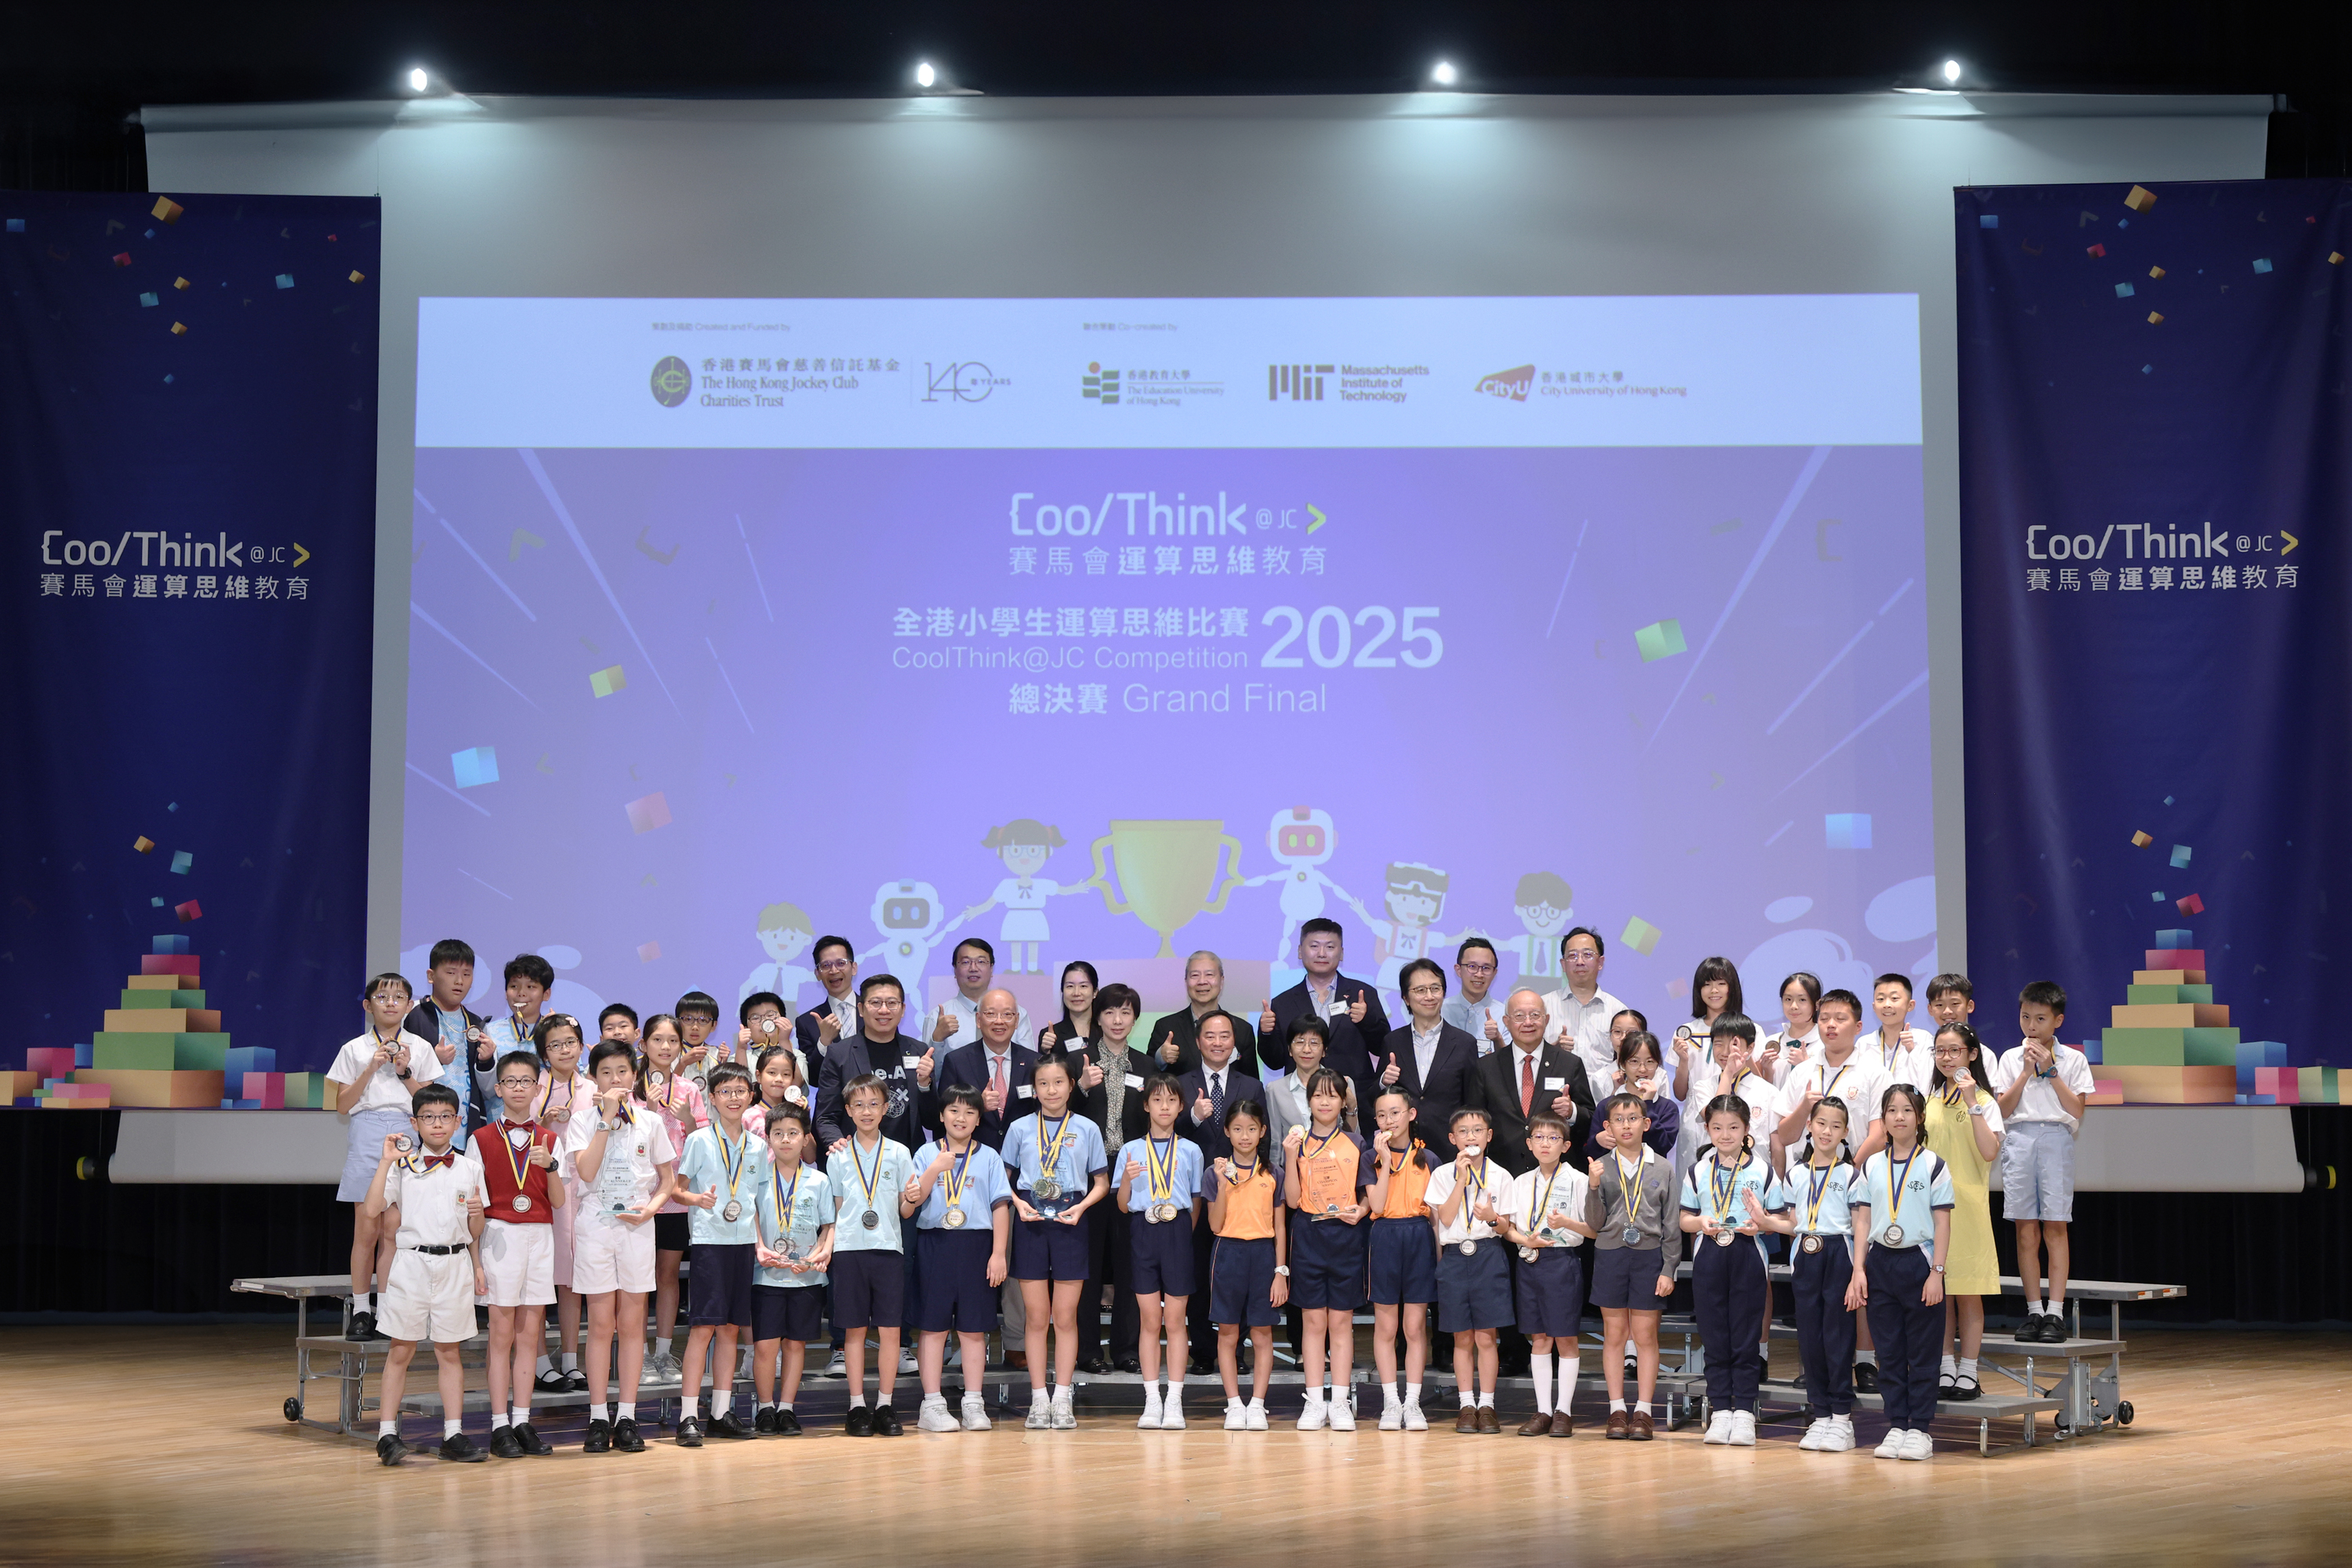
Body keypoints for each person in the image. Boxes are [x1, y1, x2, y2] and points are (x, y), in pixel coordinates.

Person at [815, 974, 935, 1380]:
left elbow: (933, 1119)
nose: (884, 1010)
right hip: (854, 1172)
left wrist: (925, 1085)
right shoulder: (840, 1052)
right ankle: (839, 1346)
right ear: (862, 1007)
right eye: (876, 1003)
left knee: (903, 1262)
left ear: (903, 1008)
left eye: (892, 1003)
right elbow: (825, 1115)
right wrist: (835, 1144)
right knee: (845, 1264)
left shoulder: (918, 1052)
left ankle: (899, 1344)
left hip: (900, 1173)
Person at [364, 1083, 486, 1465]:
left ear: (458, 1121)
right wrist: (385, 1161)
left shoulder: (470, 1167)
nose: (437, 1124)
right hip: (412, 1264)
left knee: (450, 1351)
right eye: (429, 1117)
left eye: (445, 1116)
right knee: (401, 1349)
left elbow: (475, 1230)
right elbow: (371, 1209)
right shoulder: (402, 1166)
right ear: (415, 1123)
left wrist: (478, 1242)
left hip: (454, 1264)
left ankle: (453, 1433)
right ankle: (386, 1434)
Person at [568, 1039, 678, 1455]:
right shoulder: (582, 1120)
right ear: (594, 1078)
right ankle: (598, 1417)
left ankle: (628, 1416)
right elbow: (586, 1171)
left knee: (632, 1325)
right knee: (600, 1324)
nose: (615, 1078)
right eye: (606, 1072)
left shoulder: (650, 1121)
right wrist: (605, 1119)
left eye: (622, 1071)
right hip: (596, 1223)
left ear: (635, 1075)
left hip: (637, 1227)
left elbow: (667, 1181)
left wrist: (650, 1210)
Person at [331, 972, 439, 1343]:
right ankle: (361, 1310)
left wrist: (404, 1072)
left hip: (408, 1131)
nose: (391, 1003)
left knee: (395, 1229)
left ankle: (388, 1309)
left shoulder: (420, 1047)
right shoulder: (354, 1049)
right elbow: (342, 1106)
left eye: (399, 997)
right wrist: (371, 1068)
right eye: (382, 997)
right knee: (367, 1227)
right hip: (367, 1132)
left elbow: (429, 1105)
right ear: (368, 1005)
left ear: (410, 1005)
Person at [1847, 1085, 1954, 1462]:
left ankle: (1920, 1428)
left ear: (1920, 1118)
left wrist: (1937, 1272)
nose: (1899, 1117)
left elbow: (1942, 1223)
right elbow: (1862, 1221)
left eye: (1907, 1110)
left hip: (1919, 1262)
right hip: (1880, 1262)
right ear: (1884, 1119)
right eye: (1891, 1110)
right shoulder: (1872, 1165)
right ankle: (1896, 1424)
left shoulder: (1934, 1165)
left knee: (1923, 1352)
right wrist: (1858, 1269)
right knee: (1889, 1352)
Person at [1003, 1051, 1109, 1428]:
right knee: (1036, 1317)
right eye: (1043, 1084)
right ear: (1034, 1088)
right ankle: (1038, 1399)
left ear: (1071, 1085)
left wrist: (1082, 1208)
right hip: (1030, 1223)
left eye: (1059, 1082)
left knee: (1065, 1317)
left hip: (1071, 1223)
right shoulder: (1019, 1128)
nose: (1051, 1090)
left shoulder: (1087, 1128)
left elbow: (1101, 1183)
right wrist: (1018, 1204)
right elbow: (1003, 1180)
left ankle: (1062, 1398)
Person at [1752, 1094, 1860, 1453]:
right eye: (1821, 1123)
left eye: (1835, 1126)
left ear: (1845, 1132)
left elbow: (1860, 1226)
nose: (1827, 1131)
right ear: (1810, 1127)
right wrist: (1767, 1221)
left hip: (1839, 1253)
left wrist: (1858, 1270)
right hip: (1806, 1254)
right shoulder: (1797, 1174)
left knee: (1837, 1335)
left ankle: (1842, 1418)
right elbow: (1795, 1224)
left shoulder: (1851, 1174)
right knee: (1810, 1337)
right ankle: (1821, 1414)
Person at [1679, 1094, 1787, 1446]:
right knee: (1714, 1337)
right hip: (1709, 1254)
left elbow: (1779, 1219)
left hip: (1747, 1254)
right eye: (1717, 1128)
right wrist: (1700, 1222)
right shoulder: (1698, 1170)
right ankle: (1720, 1411)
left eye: (1733, 1128)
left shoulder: (1762, 1170)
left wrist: (1762, 1224)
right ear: (1708, 1130)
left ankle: (1744, 1413)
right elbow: (1684, 1219)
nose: (1725, 1135)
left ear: (1746, 1129)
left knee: (1745, 1337)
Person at [906, 1083, 1013, 1433]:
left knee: (973, 1328)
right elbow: (911, 1203)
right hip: (934, 1244)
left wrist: (998, 1254)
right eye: (953, 1110)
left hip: (977, 1246)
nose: (961, 1118)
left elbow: (1000, 1207)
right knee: (933, 1327)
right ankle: (932, 1403)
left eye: (969, 1112)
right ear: (941, 1115)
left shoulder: (990, 1157)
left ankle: (974, 1402)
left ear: (979, 1118)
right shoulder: (926, 1153)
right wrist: (935, 1169)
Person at [672, 1061, 768, 1446]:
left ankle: (720, 1413)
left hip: (742, 1244)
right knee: (703, 1328)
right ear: (711, 1098)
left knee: (731, 1328)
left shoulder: (758, 1146)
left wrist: (760, 1243)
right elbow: (677, 1189)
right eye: (725, 1091)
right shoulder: (699, 1140)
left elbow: (756, 1201)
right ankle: (687, 1416)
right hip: (709, 1242)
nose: (733, 1097)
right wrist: (697, 1199)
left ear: (751, 1096)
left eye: (740, 1091)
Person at [1991, 980, 2091, 1344]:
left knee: (2056, 1226)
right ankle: (2034, 1310)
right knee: (2025, 1229)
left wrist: (2051, 1071)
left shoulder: (2074, 1059)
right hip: (2019, 1138)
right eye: (2025, 1017)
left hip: (2056, 1138)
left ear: (2057, 1020)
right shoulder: (2009, 1058)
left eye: (2040, 1018)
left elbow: (2077, 1109)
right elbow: (2001, 1110)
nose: (2031, 1026)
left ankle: (2056, 1313)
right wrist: (2024, 1071)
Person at [477, 1049, 564, 1458]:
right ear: (498, 1088)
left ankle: (523, 1421)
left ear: (537, 1088)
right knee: (501, 1334)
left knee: (530, 1334)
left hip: (540, 1236)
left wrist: (551, 1167)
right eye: (510, 1081)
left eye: (525, 1081)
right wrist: (475, 1260)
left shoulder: (550, 1139)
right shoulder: (480, 1139)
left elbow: (559, 1201)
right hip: (499, 1235)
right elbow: (473, 1204)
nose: (517, 1088)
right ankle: (499, 1425)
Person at [1067, 980, 1155, 1374]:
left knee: (1129, 1265)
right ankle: (1087, 1351)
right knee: (1087, 1267)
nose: (1117, 1020)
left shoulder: (1146, 1065)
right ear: (1097, 1018)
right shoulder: (1077, 1061)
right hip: (1088, 1174)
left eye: (1125, 1012)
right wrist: (1081, 1089)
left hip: (1132, 1174)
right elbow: (1056, 1109)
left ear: (1135, 1019)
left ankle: (1126, 1350)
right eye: (1109, 1012)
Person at [826, 1073, 920, 1436]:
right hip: (849, 1250)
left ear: (885, 1108)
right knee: (854, 1330)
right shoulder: (838, 1155)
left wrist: (913, 1199)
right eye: (859, 1105)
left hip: (888, 1250)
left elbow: (905, 1210)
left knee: (891, 1330)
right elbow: (836, 1211)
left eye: (874, 1104)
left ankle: (884, 1404)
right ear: (848, 1110)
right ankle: (856, 1406)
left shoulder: (899, 1153)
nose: (867, 1111)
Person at [1584, 1093, 1679, 1439]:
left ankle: (1643, 1411)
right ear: (1608, 1126)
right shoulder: (1599, 1166)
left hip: (1649, 1258)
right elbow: (1594, 1223)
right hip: (1610, 1255)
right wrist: (1593, 1186)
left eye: (1633, 1118)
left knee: (1645, 1336)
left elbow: (1671, 1224)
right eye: (1619, 1120)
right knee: (1614, 1335)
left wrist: (1668, 1269)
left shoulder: (1663, 1167)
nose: (1626, 1126)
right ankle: (1616, 1410)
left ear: (1646, 1124)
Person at [1282, 1066, 1373, 1430]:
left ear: (1343, 1102)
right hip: (1308, 1235)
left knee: (1341, 1321)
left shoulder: (1356, 1142)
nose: (1324, 1101)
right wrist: (1290, 1157)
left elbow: (1367, 1194)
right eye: (1318, 1095)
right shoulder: (1297, 1142)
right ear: (1308, 1101)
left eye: (1332, 1095)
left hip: (1346, 1237)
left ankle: (1339, 1402)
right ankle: (1315, 1402)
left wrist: (1361, 1211)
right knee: (1313, 1321)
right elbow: (1292, 1200)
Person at [1176, 1011, 1265, 1372]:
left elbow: (1261, 1138)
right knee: (1198, 1273)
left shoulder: (1251, 1085)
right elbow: (1167, 1130)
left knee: (1237, 1277)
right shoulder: (1181, 1083)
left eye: (1225, 1036)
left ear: (1235, 1043)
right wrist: (1194, 1117)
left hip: (1240, 1194)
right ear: (1198, 1042)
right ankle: (1203, 1351)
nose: (1217, 1042)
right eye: (1210, 1036)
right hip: (1192, 1194)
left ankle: (1236, 1351)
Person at [1118, 1074, 1207, 1429]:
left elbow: (1196, 1202)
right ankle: (1152, 1398)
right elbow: (1122, 1205)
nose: (1164, 1107)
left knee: (1175, 1320)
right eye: (1157, 1100)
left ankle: (1174, 1400)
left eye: (1171, 1100)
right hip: (1142, 1231)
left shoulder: (1191, 1150)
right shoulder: (1130, 1150)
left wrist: (1180, 1230)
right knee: (1150, 1320)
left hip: (1178, 1232)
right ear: (1146, 1106)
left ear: (1181, 1106)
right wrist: (1127, 1179)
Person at [1501, 1109, 1595, 1436]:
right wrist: (1524, 1240)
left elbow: (1593, 1230)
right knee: (1538, 1338)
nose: (1545, 1144)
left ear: (1565, 1145)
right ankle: (1542, 1411)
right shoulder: (1521, 1182)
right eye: (1539, 1137)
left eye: (1553, 1138)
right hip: (1529, 1262)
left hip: (1562, 1262)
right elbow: (1509, 1229)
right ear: (1529, 1143)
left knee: (1565, 1338)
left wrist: (1566, 1223)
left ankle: (1563, 1411)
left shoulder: (1578, 1180)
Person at [1926, 1022, 2004, 1399]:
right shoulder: (1929, 1100)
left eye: (1954, 1050)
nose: (1946, 1058)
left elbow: (1989, 1152)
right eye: (1940, 1050)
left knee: (1969, 1292)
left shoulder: (1985, 1102)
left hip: (1969, 1209)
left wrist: (1972, 1102)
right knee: (1939, 1292)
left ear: (1972, 1055)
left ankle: (1969, 1372)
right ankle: (1945, 1367)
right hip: (1930, 1210)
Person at [1424, 1105, 1513, 1432]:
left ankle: (1487, 1405)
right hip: (1454, 1256)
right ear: (1452, 1138)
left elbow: (1506, 1227)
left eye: (1477, 1131)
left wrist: (1492, 1217)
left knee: (1486, 1337)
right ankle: (1465, 1404)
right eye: (1463, 1131)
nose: (1470, 1137)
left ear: (1489, 1136)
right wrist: (1460, 1180)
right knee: (1462, 1337)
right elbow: (1445, 1219)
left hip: (1488, 1254)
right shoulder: (1441, 1174)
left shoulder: (1501, 1175)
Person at [750, 1100, 832, 1436]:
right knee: (766, 1345)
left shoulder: (819, 1180)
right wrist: (759, 1246)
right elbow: (752, 1217)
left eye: (793, 1133)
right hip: (766, 1275)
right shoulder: (758, 1179)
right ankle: (765, 1408)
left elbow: (829, 1226)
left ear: (806, 1138)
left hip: (806, 1277)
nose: (786, 1139)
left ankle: (787, 1408)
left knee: (796, 1344)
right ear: (768, 1138)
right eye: (778, 1133)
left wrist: (819, 1255)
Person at [1207, 1098, 1287, 1429]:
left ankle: (1257, 1404)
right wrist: (1223, 1185)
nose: (1244, 1136)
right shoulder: (1216, 1172)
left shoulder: (1274, 1173)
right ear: (1227, 1131)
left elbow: (1280, 1226)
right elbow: (1214, 1225)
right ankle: (1234, 1404)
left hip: (1263, 1255)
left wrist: (1281, 1272)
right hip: (1228, 1253)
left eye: (1251, 1129)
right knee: (1228, 1332)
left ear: (1262, 1131)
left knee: (1262, 1332)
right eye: (1237, 1129)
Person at [636, 1012, 706, 1384]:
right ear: (643, 1044)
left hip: (676, 1197)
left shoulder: (689, 1089)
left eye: (673, 1041)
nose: (666, 1047)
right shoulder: (629, 1086)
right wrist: (648, 1112)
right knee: (636, 1280)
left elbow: (702, 1142)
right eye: (658, 1040)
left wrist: (689, 1121)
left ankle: (663, 1355)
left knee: (667, 1275)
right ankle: (639, 1356)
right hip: (637, 1198)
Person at [1363, 1085, 1437, 1431]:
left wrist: (1439, 1257)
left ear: (1411, 1114)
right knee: (1387, 1326)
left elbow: (1436, 1217)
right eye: (1382, 1115)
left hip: (1419, 1236)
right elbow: (1376, 1205)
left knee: (1414, 1326)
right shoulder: (1370, 1157)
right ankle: (1391, 1401)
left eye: (1395, 1112)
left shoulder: (1429, 1158)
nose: (1389, 1120)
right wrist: (1385, 1163)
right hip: (1385, 1235)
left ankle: (1413, 1402)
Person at [528, 1014, 596, 1394]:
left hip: (582, 1191)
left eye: (570, 1042)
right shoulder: (532, 1087)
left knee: (573, 1279)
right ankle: (540, 1364)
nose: (564, 1050)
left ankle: (570, 1361)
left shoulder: (592, 1088)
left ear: (581, 1045)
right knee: (540, 1277)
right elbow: (520, 1133)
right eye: (554, 1045)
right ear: (544, 1053)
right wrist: (541, 1118)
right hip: (543, 1188)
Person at [1261, 918, 1388, 1112]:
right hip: (1300, 1104)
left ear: (1341, 953)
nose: (1321, 953)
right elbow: (1275, 1062)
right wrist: (1266, 1033)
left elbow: (1382, 1047)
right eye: (1314, 946)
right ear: (1300, 951)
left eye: (1330, 947)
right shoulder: (1283, 1002)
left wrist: (1366, 1021)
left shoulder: (1362, 994)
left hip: (1354, 1102)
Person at [1468, 989, 1595, 1176]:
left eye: (1535, 1015)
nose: (1528, 1022)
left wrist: (1572, 1112)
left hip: (1555, 1172)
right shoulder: (1486, 1067)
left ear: (1546, 1019)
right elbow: (1474, 1120)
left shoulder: (1569, 1064)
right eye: (1519, 1016)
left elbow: (1591, 1117)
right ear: (1506, 1022)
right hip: (1501, 1172)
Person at [1381, 956, 1479, 1158]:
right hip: (1402, 1149)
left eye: (1435, 989)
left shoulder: (1464, 1043)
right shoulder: (1393, 1041)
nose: (1429, 996)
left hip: (1449, 1151)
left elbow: (1472, 1103)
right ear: (1406, 998)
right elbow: (1375, 1099)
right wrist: (1383, 1082)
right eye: (1420, 990)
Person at [930, 987, 1038, 1149]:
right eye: (991, 1014)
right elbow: (943, 1117)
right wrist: (978, 1105)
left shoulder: (1034, 1062)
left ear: (1016, 1021)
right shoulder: (957, 1061)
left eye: (1007, 1014)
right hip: (973, 1155)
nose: (999, 1021)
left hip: (1023, 1155)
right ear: (979, 1020)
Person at [405, 938, 485, 1148]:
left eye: (466, 974)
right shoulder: (414, 1015)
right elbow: (399, 1069)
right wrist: (433, 1059)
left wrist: (487, 1061)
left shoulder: (475, 1022)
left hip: (464, 1121)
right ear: (431, 976)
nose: (459, 981)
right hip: (424, 1120)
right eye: (451, 973)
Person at [1146, 950, 1261, 1075]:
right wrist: (1161, 1058)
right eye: (1195, 975)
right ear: (1186, 981)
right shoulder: (1165, 1027)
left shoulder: (1243, 1030)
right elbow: (1149, 1077)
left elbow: (1252, 1083)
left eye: (1209, 975)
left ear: (1222, 981)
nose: (1202, 981)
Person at [1542, 927, 1627, 1087]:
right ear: (1563, 964)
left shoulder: (1618, 1011)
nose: (1580, 961)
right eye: (1572, 956)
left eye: (1587, 955)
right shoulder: (1543, 1006)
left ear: (1600, 962)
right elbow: (1527, 1056)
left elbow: (1628, 1060)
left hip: (1603, 1098)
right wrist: (1553, 1049)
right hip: (1554, 1097)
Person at [1264, 1014, 1360, 1148]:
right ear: (1290, 1050)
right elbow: (1275, 1141)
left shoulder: (1343, 1083)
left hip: (1335, 1159)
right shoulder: (1275, 1089)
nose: (1307, 1050)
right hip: (1292, 1160)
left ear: (1324, 1050)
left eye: (1314, 1043)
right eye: (1300, 1042)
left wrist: (1351, 1108)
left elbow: (1354, 1137)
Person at [925, 937, 1036, 1050]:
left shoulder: (1015, 1014)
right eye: (966, 962)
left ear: (991, 968)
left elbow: (1028, 1059)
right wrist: (938, 1039)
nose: (973, 968)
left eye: (981, 962)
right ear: (955, 969)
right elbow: (927, 1061)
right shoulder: (936, 1017)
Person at [1588, 1028, 1679, 1163]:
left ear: (1657, 1064)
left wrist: (1648, 1105)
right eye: (1634, 1062)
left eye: (1650, 1062)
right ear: (1623, 1064)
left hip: (1651, 1174)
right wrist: (1597, 1141)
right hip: (1613, 1174)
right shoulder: (1606, 1105)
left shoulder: (1667, 1107)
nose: (1642, 1069)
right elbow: (1590, 1152)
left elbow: (1662, 1147)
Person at [1667, 954, 1742, 1106]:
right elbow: (1680, 1094)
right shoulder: (1686, 1032)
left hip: (1736, 1115)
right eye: (1707, 984)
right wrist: (1683, 1061)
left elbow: (1760, 1084)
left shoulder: (1749, 1029)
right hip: (1695, 1118)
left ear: (1732, 988)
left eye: (1721, 983)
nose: (1714, 990)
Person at [1860, 973, 1934, 1093]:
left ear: (1910, 1005)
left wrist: (1913, 1052)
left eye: (1894, 998)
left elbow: (1928, 1085)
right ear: (1874, 1007)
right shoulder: (1864, 1044)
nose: (1887, 1005)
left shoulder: (1923, 1039)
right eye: (1880, 999)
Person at [795, 934, 860, 1064]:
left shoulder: (875, 1009)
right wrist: (824, 1041)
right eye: (826, 965)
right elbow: (811, 1073)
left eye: (841, 963)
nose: (834, 971)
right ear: (817, 974)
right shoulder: (807, 1022)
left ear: (853, 968)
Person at [1443, 935, 1511, 1048]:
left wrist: (1498, 1039)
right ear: (1458, 970)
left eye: (1486, 968)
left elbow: (1512, 1059)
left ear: (1494, 973)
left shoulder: (1505, 1015)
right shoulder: (1440, 1011)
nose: (1479, 974)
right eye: (1472, 966)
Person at [736, 991, 808, 1098]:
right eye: (755, 1018)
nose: (764, 1021)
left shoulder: (797, 1055)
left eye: (770, 1015)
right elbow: (739, 1089)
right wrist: (741, 1049)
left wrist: (784, 1041)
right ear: (746, 1027)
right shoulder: (739, 1057)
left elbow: (795, 1085)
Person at [1759, 970, 1823, 1085]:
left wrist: (1805, 1066)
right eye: (1788, 999)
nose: (1794, 1006)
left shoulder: (1825, 1045)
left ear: (1817, 1005)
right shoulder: (1771, 1043)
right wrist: (1768, 1074)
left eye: (1802, 1000)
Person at [745, 1044, 809, 1139]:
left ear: (793, 1078)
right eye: (772, 1073)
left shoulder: (795, 1114)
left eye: (786, 1074)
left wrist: (803, 1117)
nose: (779, 1079)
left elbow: (810, 1149)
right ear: (759, 1076)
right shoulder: (747, 1118)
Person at [675, 989, 732, 1086]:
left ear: (713, 1026)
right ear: (677, 1023)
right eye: (688, 1019)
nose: (695, 1027)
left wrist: (723, 1066)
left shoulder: (718, 1054)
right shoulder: (669, 1053)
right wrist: (682, 1064)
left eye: (703, 1020)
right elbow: (665, 1088)